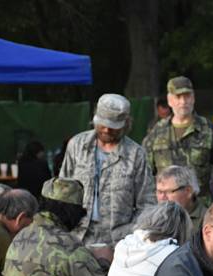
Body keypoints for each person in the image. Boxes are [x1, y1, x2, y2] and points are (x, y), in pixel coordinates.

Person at [59, 93, 155, 246]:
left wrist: (130, 235)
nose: (106, 129)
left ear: (126, 124)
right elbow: (62, 191)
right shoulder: (77, 145)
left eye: (113, 127)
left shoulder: (136, 155)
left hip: (119, 242)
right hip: (77, 237)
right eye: (102, 124)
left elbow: (147, 204)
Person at [143, 76, 213, 200]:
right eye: (178, 97)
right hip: (166, 208)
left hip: (199, 207)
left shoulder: (206, 129)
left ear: (193, 98)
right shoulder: (157, 132)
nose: (183, 102)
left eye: (187, 96)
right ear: (170, 100)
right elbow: (145, 171)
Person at [155, 165, 207, 231]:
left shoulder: (207, 220)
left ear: (188, 191)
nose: (162, 197)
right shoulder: (153, 219)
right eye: (159, 192)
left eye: (168, 192)